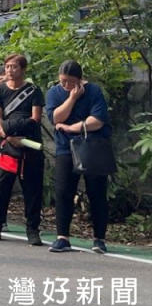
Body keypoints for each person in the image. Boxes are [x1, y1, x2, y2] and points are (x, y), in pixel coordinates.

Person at [46, 60, 113, 254]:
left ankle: (99, 238)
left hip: (93, 147)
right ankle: (62, 237)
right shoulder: (54, 93)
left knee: (97, 193)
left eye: (70, 82)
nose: (65, 85)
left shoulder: (94, 91)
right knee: (63, 191)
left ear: (80, 80)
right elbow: (55, 117)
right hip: (65, 148)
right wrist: (72, 99)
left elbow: (97, 121)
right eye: (62, 81)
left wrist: (71, 127)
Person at [0, 53, 45, 246]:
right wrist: (8, 135)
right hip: (8, 146)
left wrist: (19, 134)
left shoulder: (34, 91)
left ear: (23, 70)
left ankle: (32, 230)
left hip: (29, 145)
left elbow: (36, 119)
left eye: (14, 67)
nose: (9, 70)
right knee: (1, 189)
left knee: (32, 192)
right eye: (7, 66)